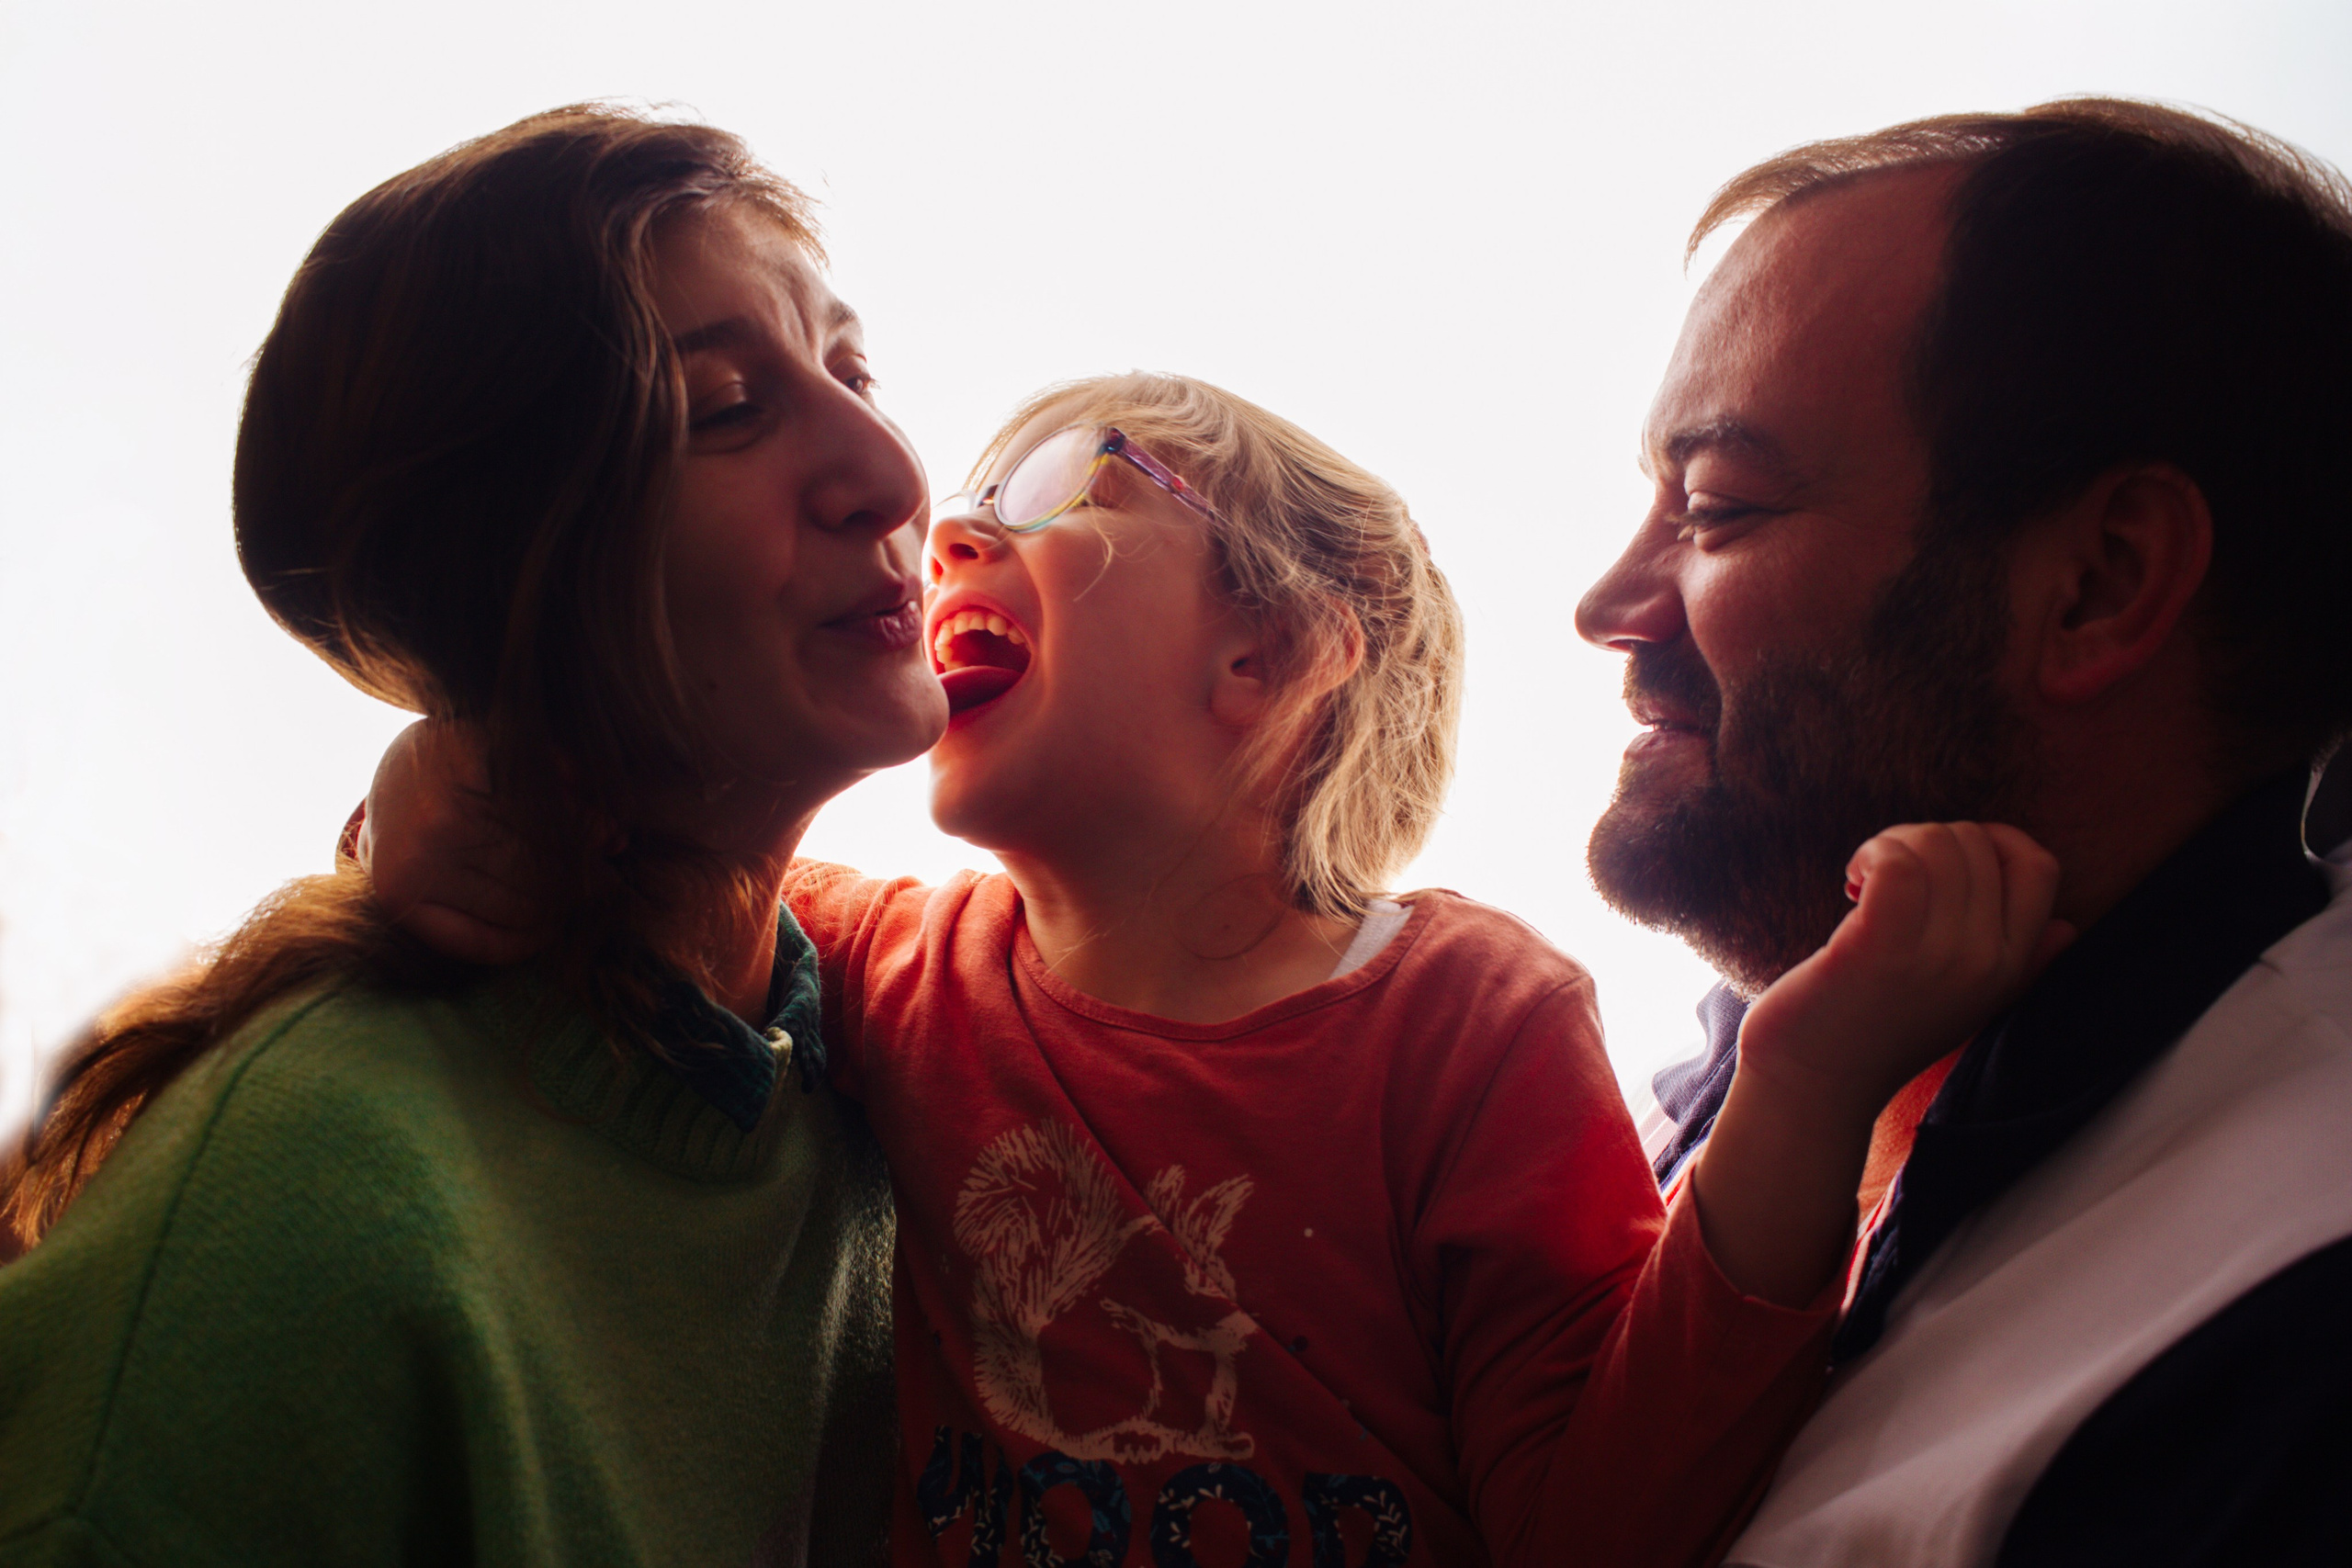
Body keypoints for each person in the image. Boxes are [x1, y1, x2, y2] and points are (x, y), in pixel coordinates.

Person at [368, 370, 2067, 1566]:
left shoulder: (1467, 1019)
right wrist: (436, 786)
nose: (950, 533)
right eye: (965, 500)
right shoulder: (879, 956)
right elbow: (600, 854)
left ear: (1269, 653)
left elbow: (1599, 1522)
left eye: (1044, 489)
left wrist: (1809, 1081)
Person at [0, 106, 944, 1564]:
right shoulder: (293, 1227)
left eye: (853, 367)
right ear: (518, 569)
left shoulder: (911, 1077)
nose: (888, 472)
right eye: (724, 409)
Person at [1575, 96, 2352, 1564]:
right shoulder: (1763, 1050)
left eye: (1719, 508)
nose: (1609, 604)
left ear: (2099, 586)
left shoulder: (2278, 1357)